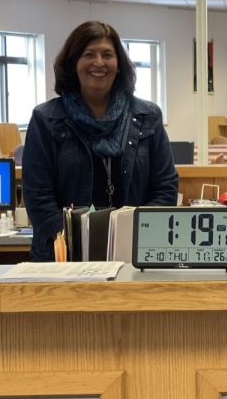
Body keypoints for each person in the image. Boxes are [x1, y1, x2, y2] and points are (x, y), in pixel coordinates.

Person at [24, 21, 179, 261]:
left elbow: (165, 187)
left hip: (136, 255)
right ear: (73, 63)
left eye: (107, 55)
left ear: (119, 65)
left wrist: (134, 238)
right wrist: (79, 243)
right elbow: (38, 197)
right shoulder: (46, 119)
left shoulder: (148, 116)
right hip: (65, 258)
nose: (99, 62)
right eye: (89, 55)